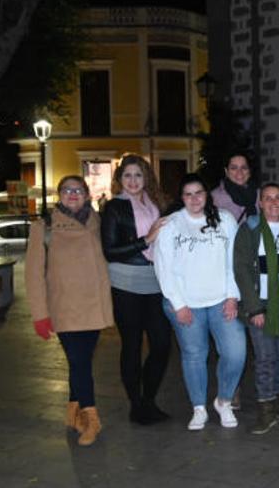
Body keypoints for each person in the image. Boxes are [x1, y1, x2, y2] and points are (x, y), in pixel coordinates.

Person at [25, 175, 113, 446]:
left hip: (93, 307)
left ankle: (73, 412)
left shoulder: (97, 221)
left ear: (87, 194)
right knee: (80, 363)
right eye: (67, 190)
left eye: (78, 190)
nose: (72, 194)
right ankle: (91, 418)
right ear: (59, 195)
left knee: (81, 363)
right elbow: (32, 274)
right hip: (65, 308)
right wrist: (40, 314)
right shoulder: (44, 227)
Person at [154, 174, 245, 431]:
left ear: (208, 195)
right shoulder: (171, 224)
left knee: (236, 351)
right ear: (181, 197)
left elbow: (234, 262)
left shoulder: (225, 220)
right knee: (194, 355)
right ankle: (198, 407)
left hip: (220, 300)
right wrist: (178, 304)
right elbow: (164, 267)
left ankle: (224, 400)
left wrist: (232, 296)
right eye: (188, 194)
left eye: (199, 193)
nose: (194, 199)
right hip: (185, 303)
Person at [100, 154, 172, 425]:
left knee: (162, 344)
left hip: (155, 281)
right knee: (131, 345)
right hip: (126, 283)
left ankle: (149, 399)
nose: (133, 181)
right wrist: (146, 240)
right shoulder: (114, 207)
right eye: (127, 175)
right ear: (120, 179)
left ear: (146, 178)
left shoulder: (156, 204)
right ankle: (136, 404)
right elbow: (109, 251)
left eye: (138, 175)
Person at [233, 183, 279, 434]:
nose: (273, 203)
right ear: (260, 203)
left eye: (277, 198)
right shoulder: (249, 229)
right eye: (267, 198)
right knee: (265, 358)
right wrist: (253, 308)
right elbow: (240, 269)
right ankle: (265, 410)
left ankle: (275, 401)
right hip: (261, 305)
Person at [212, 152, 257, 224]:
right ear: (226, 171)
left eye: (244, 167)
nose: (239, 172)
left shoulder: (261, 194)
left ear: (249, 171)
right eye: (234, 168)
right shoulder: (215, 198)